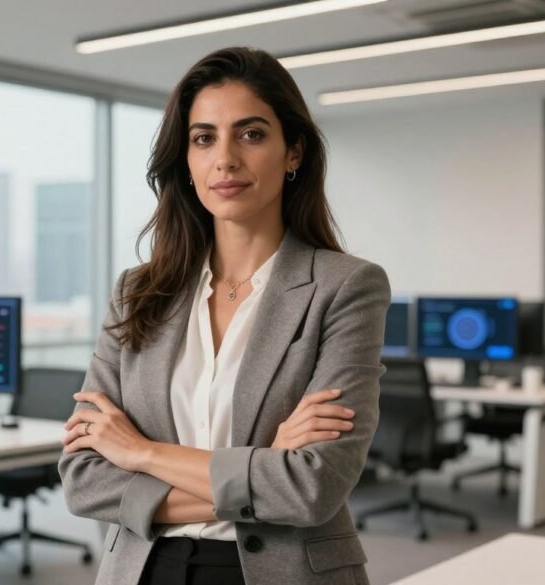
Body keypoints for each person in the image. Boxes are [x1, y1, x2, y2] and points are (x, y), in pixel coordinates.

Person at [58, 46, 390, 585]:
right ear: (186, 160)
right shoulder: (138, 292)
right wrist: (263, 465)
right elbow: (84, 480)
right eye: (204, 137)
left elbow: (312, 489)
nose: (225, 158)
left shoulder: (346, 286)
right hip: (145, 568)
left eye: (252, 134)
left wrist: (139, 452)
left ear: (293, 153)